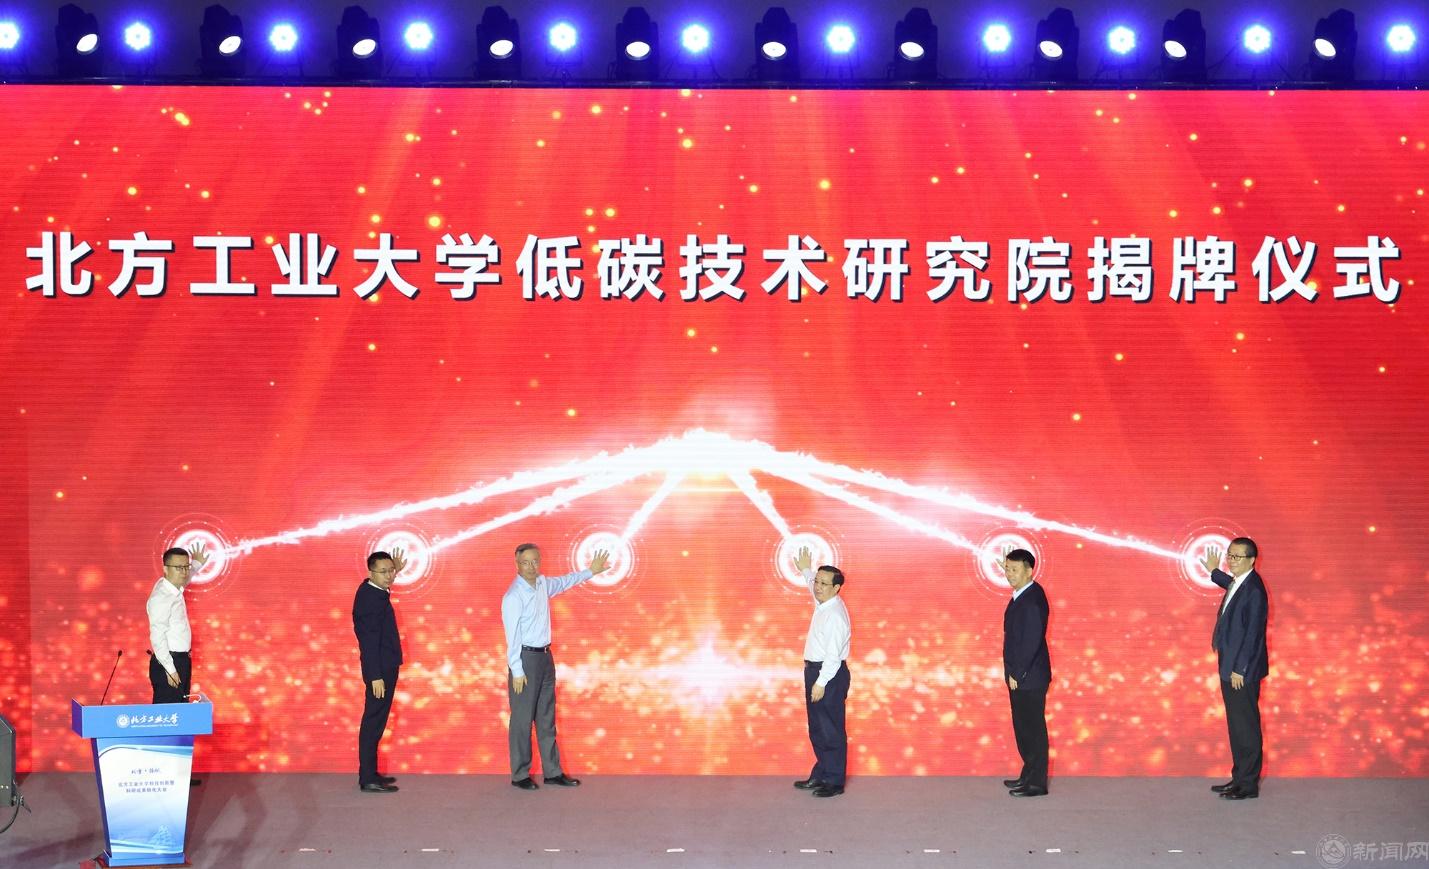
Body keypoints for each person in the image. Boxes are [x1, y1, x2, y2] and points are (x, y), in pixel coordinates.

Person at [501, 543, 609, 790]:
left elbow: (564, 582)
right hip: (525, 660)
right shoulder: (513, 596)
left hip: (545, 657)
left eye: (535, 561)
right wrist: (516, 670)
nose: (531, 567)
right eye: (526, 562)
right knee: (522, 720)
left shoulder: (542, 584)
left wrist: (590, 571)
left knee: (546, 717)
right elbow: (512, 636)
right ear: (517, 564)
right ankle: (520, 774)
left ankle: (553, 771)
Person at [1202, 538, 1270, 800]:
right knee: (1237, 726)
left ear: (1252, 560)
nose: (1232, 560)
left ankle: (1248, 785)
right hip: (1230, 666)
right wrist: (1213, 571)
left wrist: (1240, 669)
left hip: (1241, 671)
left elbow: (1253, 635)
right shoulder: (1240, 583)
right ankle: (1239, 778)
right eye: (1230, 555)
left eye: (1238, 557)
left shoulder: (1254, 590)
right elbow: (1230, 585)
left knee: (1246, 727)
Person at [792, 547, 851, 798]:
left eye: (824, 584)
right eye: (817, 581)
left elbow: (833, 657)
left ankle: (834, 781)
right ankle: (822, 773)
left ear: (836, 588)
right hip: (815, 672)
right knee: (817, 727)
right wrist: (806, 570)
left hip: (828, 675)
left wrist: (820, 682)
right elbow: (811, 586)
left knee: (830, 729)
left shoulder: (835, 616)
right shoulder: (824, 603)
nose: (817, 587)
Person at [353, 549, 408, 794]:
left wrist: (393, 573)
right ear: (370, 572)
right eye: (383, 572)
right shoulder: (369, 599)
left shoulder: (373, 591)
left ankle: (371, 773)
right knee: (373, 722)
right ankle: (367, 778)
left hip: (385, 666)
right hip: (379, 670)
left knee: (377, 721)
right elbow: (368, 641)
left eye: (391, 571)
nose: (389, 576)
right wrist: (375, 675)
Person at [1001, 548, 1051, 798]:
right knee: (1023, 728)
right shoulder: (1022, 594)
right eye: (1007, 569)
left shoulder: (1032, 599)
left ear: (1029, 571)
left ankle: (1036, 783)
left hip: (1028, 677)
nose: (1009, 574)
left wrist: (1017, 673)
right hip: (1022, 675)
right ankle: (1028, 774)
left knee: (1033, 729)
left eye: (1015, 569)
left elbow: (1031, 641)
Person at [147, 544, 209, 704]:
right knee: (168, 714)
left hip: (181, 660)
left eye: (186, 567)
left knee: (181, 711)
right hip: (169, 662)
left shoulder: (172, 587)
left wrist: (196, 564)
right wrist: (170, 669)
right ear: (165, 569)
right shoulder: (161, 598)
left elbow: (185, 578)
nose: (184, 572)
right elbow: (157, 637)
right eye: (179, 568)